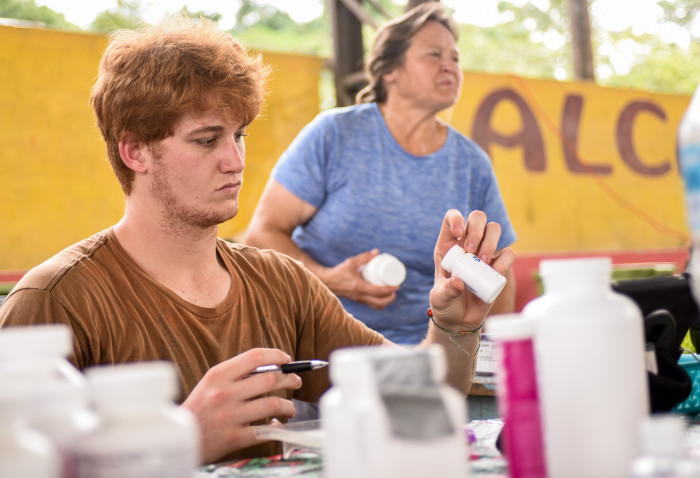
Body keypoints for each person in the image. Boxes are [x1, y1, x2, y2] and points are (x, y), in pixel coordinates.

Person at [0, 16, 514, 464]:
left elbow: (417, 401)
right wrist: (183, 439)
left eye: (239, 135)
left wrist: (452, 327)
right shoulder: (54, 302)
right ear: (134, 151)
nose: (235, 160)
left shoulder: (282, 282)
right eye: (206, 140)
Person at [244, 2, 517, 345]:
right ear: (390, 71)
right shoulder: (334, 134)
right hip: (324, 350)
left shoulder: (472, 163)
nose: (450, 66)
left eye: (455, 58)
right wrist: (330, 278)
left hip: (428, 355)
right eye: (434, 55)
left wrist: (491, 356)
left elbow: (499, 276)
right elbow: (260, 235)